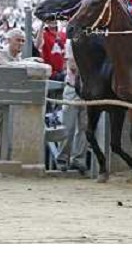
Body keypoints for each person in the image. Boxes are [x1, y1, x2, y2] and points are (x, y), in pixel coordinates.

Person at [56, 39, 88, 172]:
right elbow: (73, 65)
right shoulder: (72, 42)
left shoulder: (93, 41)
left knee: (84, 127)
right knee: (68, 126)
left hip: (87, 90)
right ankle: (62, 158)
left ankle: (78, 159)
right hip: (73, 88)